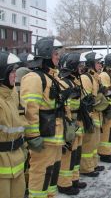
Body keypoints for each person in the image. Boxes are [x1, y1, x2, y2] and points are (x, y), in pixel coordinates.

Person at [21, 37, 65, 198]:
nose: (58, 57)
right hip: (43, 138)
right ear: (46, 55)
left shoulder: (52, 77)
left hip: (55, 136)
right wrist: (33, 136)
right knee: (40, 173)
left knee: (52, 172)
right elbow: (30, 110)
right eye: (55, 53)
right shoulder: (34, 78)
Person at [57, 53, 87, 195]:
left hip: (76, 122)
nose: (81, 68)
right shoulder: (63, 82)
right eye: (78, 65)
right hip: (69, 123)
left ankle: (74, 179)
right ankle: (64, 184)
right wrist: (76, 100)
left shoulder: (73, 81)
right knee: (68, 155)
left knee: (76, 153)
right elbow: (66, 105)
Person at [0, 52, 27, 198]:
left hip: (17, 160)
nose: (15, 75)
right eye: (11, 71)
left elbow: (20, 121)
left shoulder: (13, 95)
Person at [80, 52, 106, 177]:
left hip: (97, 114)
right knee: (88, 143)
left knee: (95, 142)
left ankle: (93, 164)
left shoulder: (96, 77)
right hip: (91, 114)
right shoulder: (86, 78)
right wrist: (97, 98)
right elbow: (86, 99)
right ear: (91, 63)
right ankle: (86, 168)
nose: (100, 65)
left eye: (100, 62)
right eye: (97, 62)